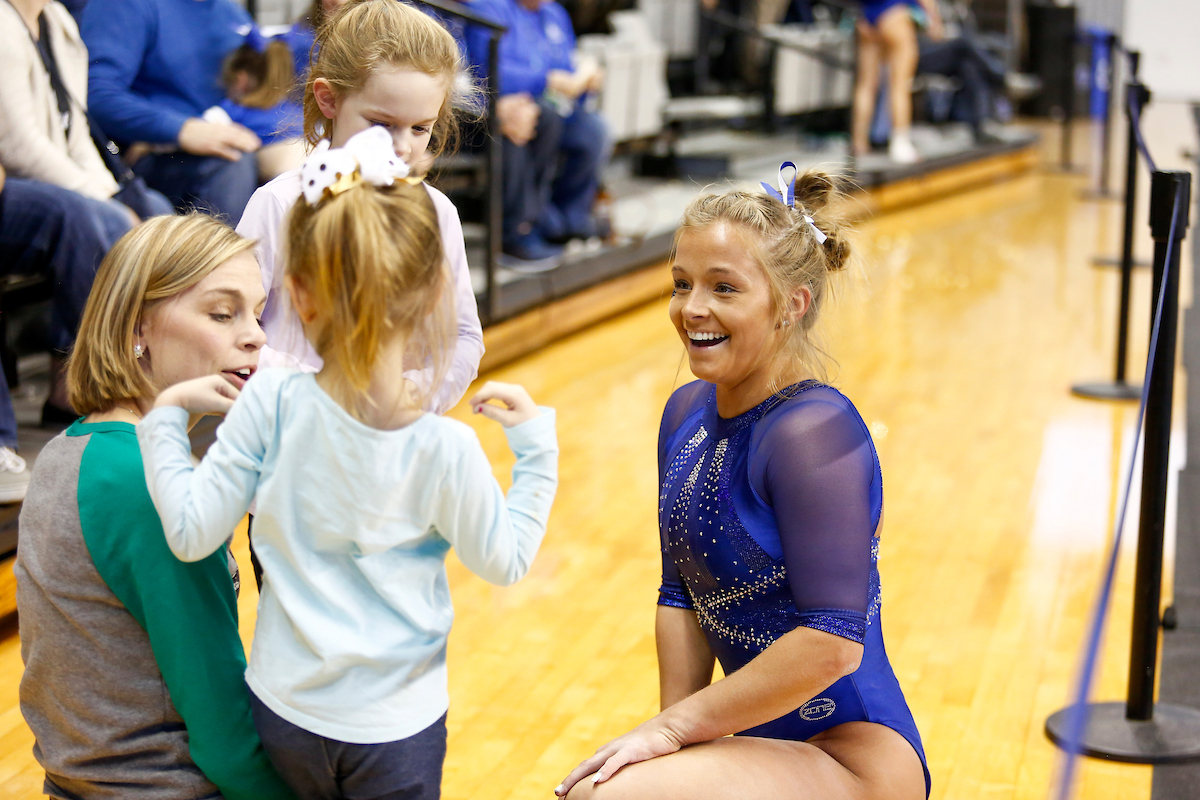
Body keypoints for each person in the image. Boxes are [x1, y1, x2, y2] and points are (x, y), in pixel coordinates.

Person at [135, 128, 559, 800]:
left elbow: (191, 536)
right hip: (396, 728)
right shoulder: (445, 448)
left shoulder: (268, 400)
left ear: (298, 296)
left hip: (283, 713)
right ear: (430, 299)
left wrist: (162, 419)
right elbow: (504, 561)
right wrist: (535, 452)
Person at [555, 167, 928, 800]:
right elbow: (679, 596)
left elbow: (833, 645)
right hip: (750, 740)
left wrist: (674, 731)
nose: (692, 308)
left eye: (724, 288)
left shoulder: (814, 432)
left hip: (850, 758)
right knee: (615, 785)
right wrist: (669, 743)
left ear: (791, 304)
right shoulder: (684, 413)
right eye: (682, 284)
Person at [14, 212, 295, 800]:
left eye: (257, 312)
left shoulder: (75, 448)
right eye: (223, 314)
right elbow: (225, 739)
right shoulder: (145, 483)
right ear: (138, 327)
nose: (256, 336)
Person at [237, 0, 483, 415]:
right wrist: (321, 397)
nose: (402, 146)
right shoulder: (279, 204)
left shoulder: (437, 212)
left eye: (420, 128)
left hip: (394, 435)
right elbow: (238, 333)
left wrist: (412, 396)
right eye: (383, 124)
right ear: (329, 99)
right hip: (294, 433)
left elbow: (461, 335)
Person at [80, 0, 262, 223]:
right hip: (143, 157)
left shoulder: (232, 15)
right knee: (231, 161)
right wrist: (180, 130)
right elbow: (96, 94)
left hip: (229, 135)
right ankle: (212, 258)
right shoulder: (126, 6)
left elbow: (267, 97)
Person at [462, 0, 610, 266]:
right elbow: (488, 73)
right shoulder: (488, 7)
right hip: (496, 111)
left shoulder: (554, 13)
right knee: (536, 118)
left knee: (593, 130)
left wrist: (586, 81)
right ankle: (519, 231)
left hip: (552, 107)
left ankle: (568, 223)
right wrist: (546, 80)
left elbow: (568, 68)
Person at [0, 164, 133, 428]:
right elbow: (24, 150)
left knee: (82, 214)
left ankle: (97, 376)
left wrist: (103, 196)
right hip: (36, 173)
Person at [851, 0, 943, 163]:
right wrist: (934, 19)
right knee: (900, 85)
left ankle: (859, 144)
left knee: (865, 85)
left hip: (866, 17)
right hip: (894, 14)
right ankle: (900, 144)